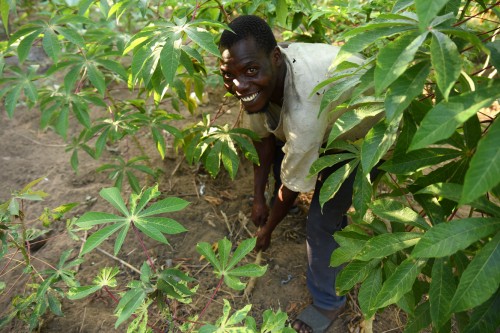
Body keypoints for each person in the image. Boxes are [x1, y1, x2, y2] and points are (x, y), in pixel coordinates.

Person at [218, 15, 379, 333]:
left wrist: (267, 231)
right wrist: (258, 199)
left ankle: (328, 302)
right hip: (326, 122)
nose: (239, 85)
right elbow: (263, 141)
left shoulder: (304, 110)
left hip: (364, 136)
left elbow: (292, 185)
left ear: (275, 57)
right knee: (281, 153)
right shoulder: (254, 82)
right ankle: (285, 209)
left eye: (250, 71)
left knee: (321, 222)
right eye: (229, 75)